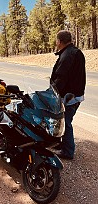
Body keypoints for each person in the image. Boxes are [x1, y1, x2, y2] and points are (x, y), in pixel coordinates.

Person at [51, 30, 86, 160]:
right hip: (76, 95)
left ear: (59, 41)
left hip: (69, 97)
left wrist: (53, 92)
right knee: (63, 122)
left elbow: (61, 78)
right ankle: (63, 145)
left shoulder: (67, 55)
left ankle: (68, 151)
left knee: (66, 123)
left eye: (56, 40)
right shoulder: (76, 52)